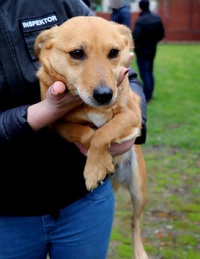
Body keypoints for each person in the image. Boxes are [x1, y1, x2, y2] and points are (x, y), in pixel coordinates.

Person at [0, 0, 147, 258]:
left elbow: (128, 76)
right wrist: (39, 115)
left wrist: (134, 125)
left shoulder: (61, 1)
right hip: (8, 211)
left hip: (84, 200)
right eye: (77, 54)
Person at [132, 0, 165, 103]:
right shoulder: (157, 19)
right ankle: (150, 93)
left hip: (142, 52)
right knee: (150, 72)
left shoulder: (141, 21)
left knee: (145, 73)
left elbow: (134, 37)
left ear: (140, 8)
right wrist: (152, 41)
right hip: (152, 50)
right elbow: (161, 35)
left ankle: (147, 96)